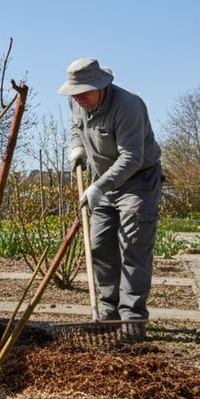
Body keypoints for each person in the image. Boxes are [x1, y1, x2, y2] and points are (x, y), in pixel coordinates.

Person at [59, 58, 162, 340]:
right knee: (99, 243)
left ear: (101, 86)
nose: (78, 98)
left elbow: (132, 158)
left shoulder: (128, 106)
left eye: (83, 92)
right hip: (103, 180)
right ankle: (109, 312)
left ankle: (133, 320)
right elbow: (75, 125)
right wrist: (78, 147)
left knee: (133, 244)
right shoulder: (77, 101)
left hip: (138, 181)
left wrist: (98, 188)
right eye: (74, 93)